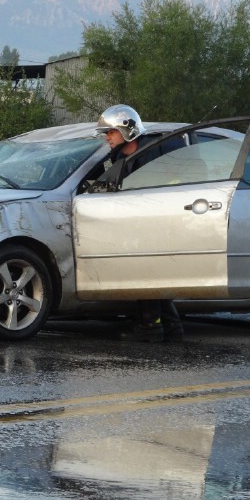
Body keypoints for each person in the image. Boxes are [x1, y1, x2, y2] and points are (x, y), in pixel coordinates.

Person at [94, 104, 184, 344]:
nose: (107, 138)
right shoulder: (122, 157)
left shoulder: (152, 156)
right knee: (151, 272)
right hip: (138, 224)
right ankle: (172, 326)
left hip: (158, 224)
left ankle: (150, 326)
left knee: (147, 272)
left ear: (127, 131)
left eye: (110, 132)